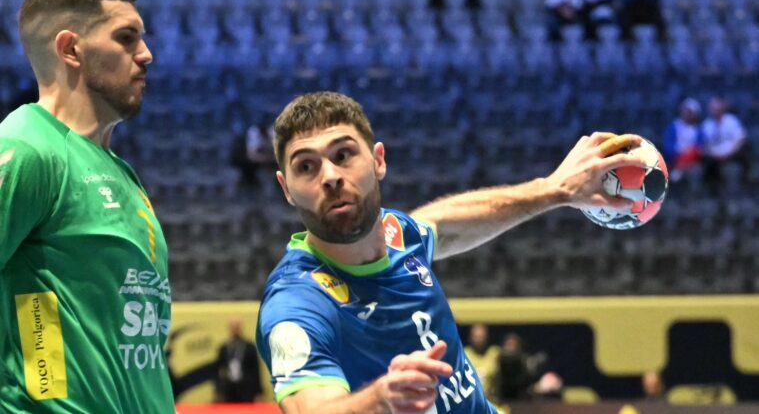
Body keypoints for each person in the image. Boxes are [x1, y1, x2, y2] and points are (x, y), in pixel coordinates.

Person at [254, 91, 646, 413]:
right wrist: (379, 401)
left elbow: (446, 224)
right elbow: (311, 407)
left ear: (378, 161)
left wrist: (554, 190)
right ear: (286, 188)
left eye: (343, 155)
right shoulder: (296, 303)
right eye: (306, 167)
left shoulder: (397, 233)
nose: (330, 177)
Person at [0, 0, 173, 412]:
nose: (146, 54)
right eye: (126, 38)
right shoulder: (27, 150)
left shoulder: (122, 173)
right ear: (70, 49)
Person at [701, 96, 751, 192]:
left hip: (732, 153)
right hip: (714, 156)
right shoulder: (706, 124)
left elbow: (741, 139)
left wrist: (730, 154)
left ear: (722, 108)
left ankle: (746, 181)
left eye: (717, 109)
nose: (715, 111)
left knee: (745, 149)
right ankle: (714, 192)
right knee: (706, 161)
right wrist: (712, 154)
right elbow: (703, 145)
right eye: (713, 109)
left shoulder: (731, 120)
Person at [214, 317, 264, 403]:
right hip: (229, 389)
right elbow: (218, 370)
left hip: (246, 389)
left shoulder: (249, 347)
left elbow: (256, 370)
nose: (235, 330)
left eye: (237, 327)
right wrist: (218, 390)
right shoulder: (224, 348)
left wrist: (259, 392)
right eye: (233, 327)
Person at [663, 97, 705, 182]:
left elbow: (699, 147)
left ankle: (680, 169)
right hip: (675, 157)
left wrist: (689, 153)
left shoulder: (698, 129)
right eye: (685, 111)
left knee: (695, 166)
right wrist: (679, 153)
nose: (687, 114)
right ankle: (679, 168)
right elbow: (668, 146)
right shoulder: (674, 126)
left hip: (692, 160)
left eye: (690, 112)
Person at [464, 323, 501, 402]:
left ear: (487, 337)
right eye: (476, 337)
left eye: (481, 337)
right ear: (470, 338)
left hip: (491, 401)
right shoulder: (464, 354)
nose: (479, 340)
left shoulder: (494, 353)